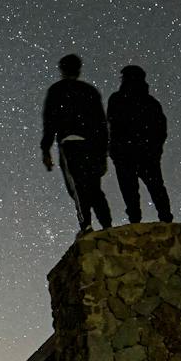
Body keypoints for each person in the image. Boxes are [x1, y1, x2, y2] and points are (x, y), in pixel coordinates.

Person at [40, 53, 111, 235]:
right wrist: (103, 152)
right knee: (94, 187)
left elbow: (50, 121)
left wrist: (46, 149)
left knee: (77, 186)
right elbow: (101, 123)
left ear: (62, 70)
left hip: (70, 143)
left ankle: (86, 225)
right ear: (78, 70)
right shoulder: (90, 91)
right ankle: (107, 225)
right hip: (92, 145)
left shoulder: (57, 90)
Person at [106, 64, 172, 224]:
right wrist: (155, 150)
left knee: (130, 189)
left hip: (126, 153)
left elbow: (111, 124)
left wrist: (113, 148)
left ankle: (135, 220)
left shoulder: (117, 99)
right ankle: (165, 219)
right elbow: (161, 129)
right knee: (155, 187)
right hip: (144, 153)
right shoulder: (151, 103)